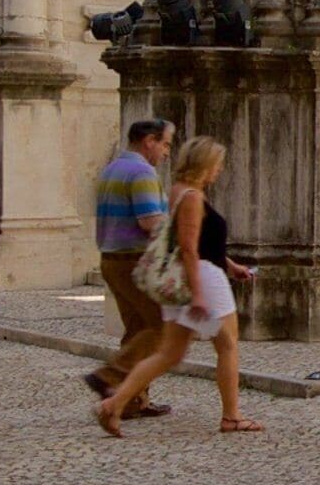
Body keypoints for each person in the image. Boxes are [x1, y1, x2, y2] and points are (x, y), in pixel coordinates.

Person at [96, 137, 260, 437]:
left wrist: (231, 265)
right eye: (217, 164)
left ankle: (114, 404)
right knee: (227, 346)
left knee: (169, 353)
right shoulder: (193, 198)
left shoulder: (179, 192)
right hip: (202, 281)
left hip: (186, 279)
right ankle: (232, 416)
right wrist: (198, 295)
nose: (220, 170)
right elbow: (188, 247)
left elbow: (198, 241)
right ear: (205, 165)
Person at [88, 119, 179, 415]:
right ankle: (110, 376)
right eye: (165, 144)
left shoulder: (112, 168)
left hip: (111, 259)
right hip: (134, 261)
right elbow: (149, 220)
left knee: (137, 328)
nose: (166, 152)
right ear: (149, 141)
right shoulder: (141, 171)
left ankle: (130, 401)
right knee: (163, 327)